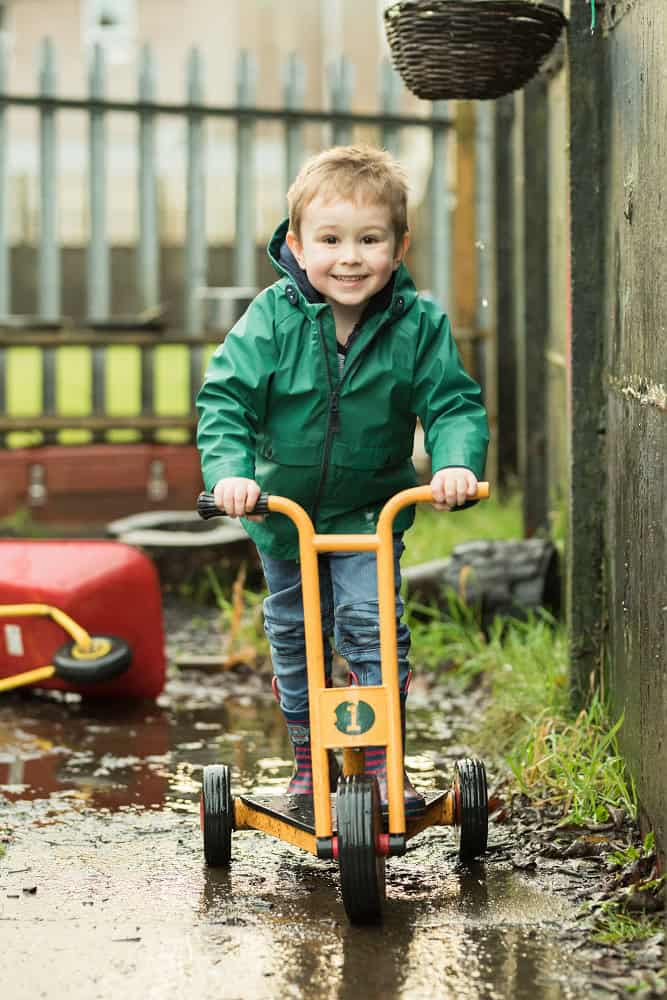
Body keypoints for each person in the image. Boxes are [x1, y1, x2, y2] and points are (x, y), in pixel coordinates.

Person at [196, 145, 489, 815]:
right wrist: (232, 475)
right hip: (282, 512)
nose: (349, 257)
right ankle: (307, 763)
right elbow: (226, 402)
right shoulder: (270, 319)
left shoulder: (419, 324)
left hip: (368, 513)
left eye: (369, 239)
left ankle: (386, 761)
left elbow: (450, 404)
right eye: (329, 240)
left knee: (371, 627)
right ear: (296, 245)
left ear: (399, 244)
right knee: (296, 631)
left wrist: (453, 463)